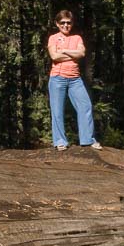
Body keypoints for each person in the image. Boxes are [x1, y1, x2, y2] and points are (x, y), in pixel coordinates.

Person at [46, 10, 101, 151]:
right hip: (57, 78)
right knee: (57, 111)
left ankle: (87, 140)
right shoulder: (53, 38)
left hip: (75, 79)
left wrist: (63, 51)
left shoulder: (77, 38)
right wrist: (72, 54)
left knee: (85, 106)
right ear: (57, 24)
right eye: (62, 23)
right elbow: (54, 56)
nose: (66, 25)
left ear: (72, 24)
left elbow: (81, 53)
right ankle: (60, 141)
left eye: (68, 23)